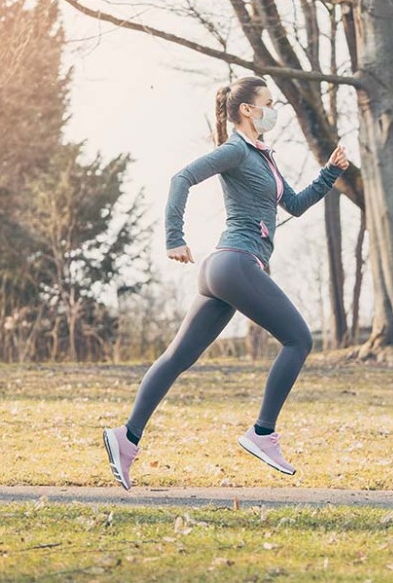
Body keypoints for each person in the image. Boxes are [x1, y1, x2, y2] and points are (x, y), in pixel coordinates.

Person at [102, 75, 349, 490]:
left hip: (223, 269)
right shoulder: (235, 149)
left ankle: (125, 439)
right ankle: (262, 433)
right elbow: (181, 178)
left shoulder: (262, 156)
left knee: (177, 358)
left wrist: (329, 173)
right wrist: (174, 238)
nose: (274, 110)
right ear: (248, 110)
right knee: (299, 340)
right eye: (269, 103)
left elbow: (294, 205)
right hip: (235, 264)